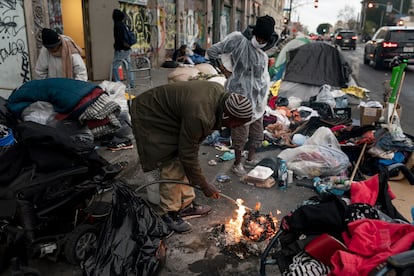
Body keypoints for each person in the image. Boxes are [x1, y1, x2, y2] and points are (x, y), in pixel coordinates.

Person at [130, 80, 253, 233]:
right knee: (171, 160)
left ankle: (186, 205)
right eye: (235, 124)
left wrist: (199, 180)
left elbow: (191, 149)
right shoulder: (200, 115)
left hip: (172, 114)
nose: (234, 128)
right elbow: (187, 153)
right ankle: (168, 213)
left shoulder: (220, 96)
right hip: (151, 113)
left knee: (185, 161)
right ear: (227, 116)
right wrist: (204, 185)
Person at [206, 15, 276, 177]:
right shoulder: (238, 40)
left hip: (258, 98)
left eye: (264, 39)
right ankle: (237, 163)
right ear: (254, 33)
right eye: (258, 37)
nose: (260, 41)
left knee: (257, 132)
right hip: (240, 96)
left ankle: (250, 158)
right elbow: (213, 51)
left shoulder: (264, 50)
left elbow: (260, 75)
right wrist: (224, 70)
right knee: (240, 131)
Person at [112, 9, 134, 88]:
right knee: (128, 66)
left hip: (121, 49)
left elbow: (119, 39)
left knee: (114, 66)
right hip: (127, 48)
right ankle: (131, 83)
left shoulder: (117, 25)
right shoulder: (123, 25)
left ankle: (118, 83)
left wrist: (116, 47)